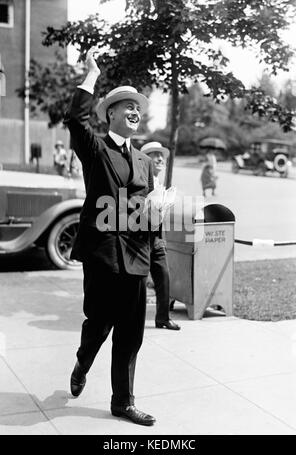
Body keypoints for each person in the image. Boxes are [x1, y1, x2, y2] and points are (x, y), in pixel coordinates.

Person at [64, 47, 156, 426]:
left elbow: (149, 210)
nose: (134, 111)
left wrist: (156, 245)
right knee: (98, 325)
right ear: (111, 114)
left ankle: (123, 401)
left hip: (136, 257)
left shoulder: (147, 162)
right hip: (102, 254)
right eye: (126, 106)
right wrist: (91, 75)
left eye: (138, 107)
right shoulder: (96, 148)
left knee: (131, 332)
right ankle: (83, 361)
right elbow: (74, 118)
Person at [141, 142, 180, 331]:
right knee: (137, 282)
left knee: (163, 277)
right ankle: (131, 319)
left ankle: (162, 318)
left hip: (156, 238)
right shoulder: (140, 181)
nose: (159, 159)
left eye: (161, 155)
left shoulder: (160, 184)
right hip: (140, 238)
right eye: (154, 155)